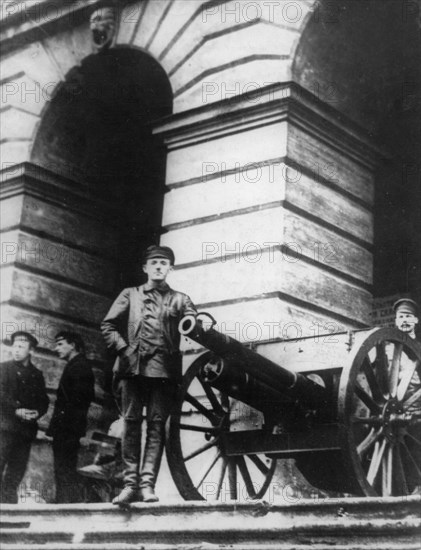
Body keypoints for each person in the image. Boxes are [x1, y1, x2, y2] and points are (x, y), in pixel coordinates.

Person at [101, 245, 197, 504]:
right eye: (153, 262)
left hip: (163, 371)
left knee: (156, 428)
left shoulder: (181, 299)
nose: (158, 266)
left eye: (163, 263)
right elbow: (108, 325)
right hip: (132, 370)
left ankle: (147, 486)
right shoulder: (130, 294)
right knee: (131, 425)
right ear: (145, 267)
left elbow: (193, 319)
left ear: (170, 268)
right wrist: (123, 348)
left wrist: (194, 322)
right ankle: (129, 485)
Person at [0, 331, 49, 503]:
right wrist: (17, 410)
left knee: (16, 472)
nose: (16, 350)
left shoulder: (37, 374)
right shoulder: (3, 368)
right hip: (4, 429)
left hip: (25, 432)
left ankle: (8, 509)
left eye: (21, 346)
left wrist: (37, 413)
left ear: (31, 351)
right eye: (14, 346)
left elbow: (44, 401)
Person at [46, 332, 95, 503]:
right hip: (67, 429)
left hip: (67, 429)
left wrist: (65, 429)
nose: (55, 348)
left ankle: (64, 508)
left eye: (60, 344)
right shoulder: (76, 365)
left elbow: (78, 402)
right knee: (64, 470)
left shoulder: (79, 366)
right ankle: (64, 506)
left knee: (64, 470)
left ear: (73, 345)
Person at [393, 298, 421, 494]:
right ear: (395, 321)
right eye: (401, 317)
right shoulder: (388, 347)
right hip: (396, 409)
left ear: (416, 321)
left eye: (408, 317)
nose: (404, 320)